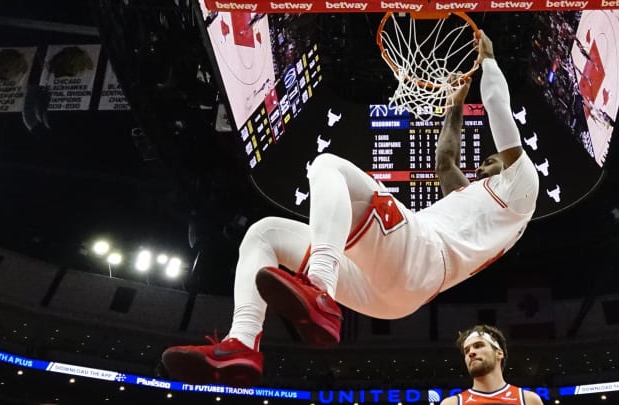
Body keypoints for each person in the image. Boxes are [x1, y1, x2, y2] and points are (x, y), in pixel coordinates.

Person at [160, 31, 540, 387]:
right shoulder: (484, 202)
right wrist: (455, 107)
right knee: (264, 234)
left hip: (423, 254)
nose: (484, 163)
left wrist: (489, 60)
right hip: (392, 295)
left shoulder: (522, 184)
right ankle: (242, 342)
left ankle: (320, 288)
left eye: (491, 160)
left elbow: (497, 108)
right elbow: (445, 161)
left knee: (328, 165)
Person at [442, 325, 544, 405]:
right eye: (467, 350)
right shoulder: (452, 403)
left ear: (499, 353)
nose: (471, 353)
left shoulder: (528, 400)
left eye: (478, 346)